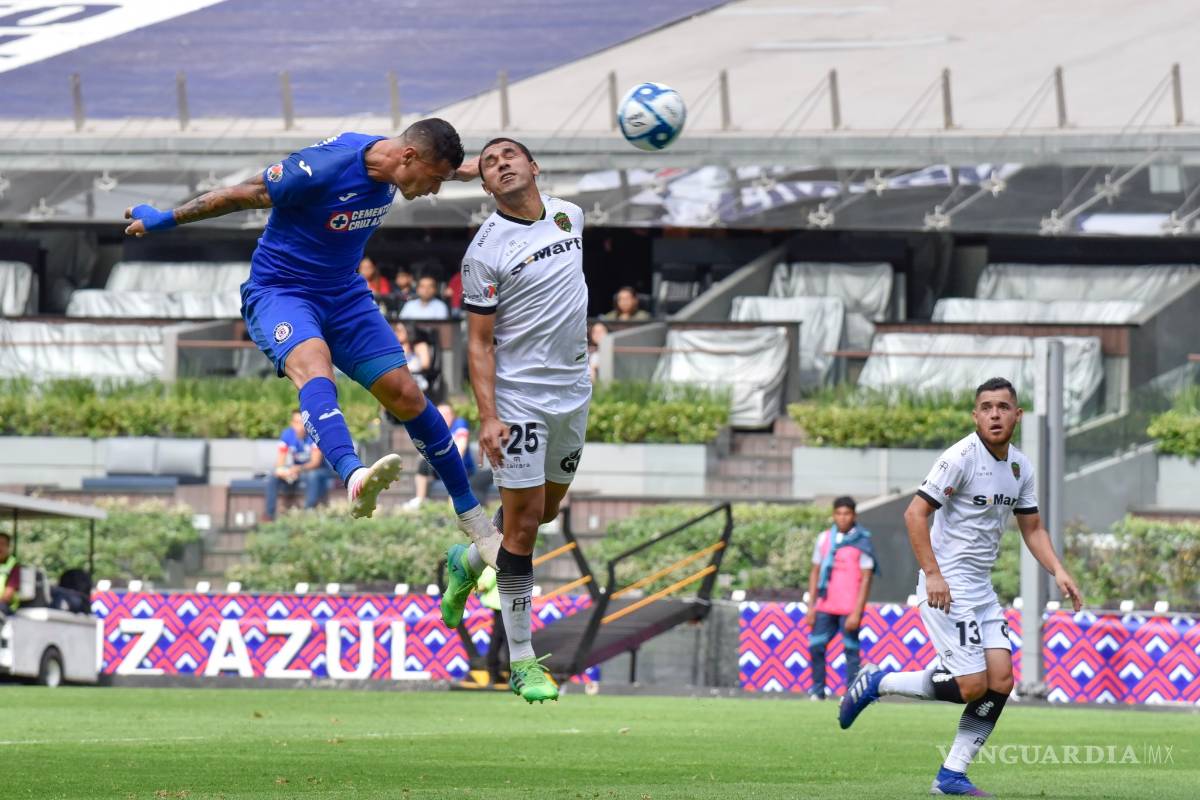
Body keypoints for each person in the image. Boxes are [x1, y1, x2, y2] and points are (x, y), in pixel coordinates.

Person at [123, 119, 501, 555]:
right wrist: (165, 219)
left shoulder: (407, 161)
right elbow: (240, 193)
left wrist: (493, 169)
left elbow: (457, 168)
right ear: (409, 158)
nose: (435, 189)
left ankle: (474, 521)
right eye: (435, 179)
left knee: (407, 396)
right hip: (282, 292)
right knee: (316, 365)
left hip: (344, 294)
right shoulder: (325, 168)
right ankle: (354, 474)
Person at [838, 377, 1083, 797]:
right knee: (971, 686)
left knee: (1001, 680)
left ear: (1016, 415)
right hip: (947, 587)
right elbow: (915, 515)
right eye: (986, 407)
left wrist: (1058, 571)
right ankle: (879, 681)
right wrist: (933, 574)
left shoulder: (1021, 466)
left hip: (981, 590)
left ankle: (951, 774)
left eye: (1003, 407)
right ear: (975, 415)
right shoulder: (960, 458)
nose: (994, 414)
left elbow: (1033, 527)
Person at [440, 137, 591, 704]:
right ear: (483, 185)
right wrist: (487, 415)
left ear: (534, 166)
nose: (501, 165)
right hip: (519, 397)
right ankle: (523, 663)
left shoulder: (569, 215)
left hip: (573, 392)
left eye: (510, 156)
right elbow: (478, 344)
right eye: (489, 164)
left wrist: (472, 166)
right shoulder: (483, 253)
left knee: (545, 513)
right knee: (524, 528)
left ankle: (466, 557)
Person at [806, 496, 877, 700]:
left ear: (853, 515)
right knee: (816, 646)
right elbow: (815, 571)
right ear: (833, 515)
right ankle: (818, 691)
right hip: (825, 605)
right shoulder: (824, 538)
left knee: (851, 651)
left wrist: (858, 611)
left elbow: (866, 579)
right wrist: (811, 607)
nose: (842, 517)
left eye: (847, 513)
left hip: (849, 607)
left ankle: (851, 695)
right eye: (839, 513)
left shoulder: (862, 540)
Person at [265, 410, 332, 520]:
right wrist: (282, 471)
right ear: (292, 423)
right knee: (273, 477)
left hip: (319, 470)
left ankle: (307, 513)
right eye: (296, 422)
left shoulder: (314, 434)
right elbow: (280, 461)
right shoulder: (287, 434)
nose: (299, 426)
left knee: (312, 476)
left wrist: (297, 469)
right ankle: (269, 515)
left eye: (302, 422)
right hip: (300, 471)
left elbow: (315, 463)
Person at [405, 403, 471, 509]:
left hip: (461, 466)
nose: (444, 417)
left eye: (447, 414)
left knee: (453, 466)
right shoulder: (435, 428)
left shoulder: (459, 423)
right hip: (441, 465)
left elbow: (461, 446)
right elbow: (424, 451)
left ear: (452, 415)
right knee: (423, 464)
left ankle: (454, 507)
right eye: (440, 414)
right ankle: (420, 499)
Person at [392, 321, 434, 398]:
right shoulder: (395, 349)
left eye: (399, 330)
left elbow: (425, 365)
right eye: (395, 330)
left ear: (408, 331)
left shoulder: (419, 346)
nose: (396, 333)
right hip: (399, 383)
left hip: (416, 382)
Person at [0, 532, 19, 617]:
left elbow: (7, 596)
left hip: (6, 607)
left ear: (8, 547)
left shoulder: (14, 566)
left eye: (3, 544)